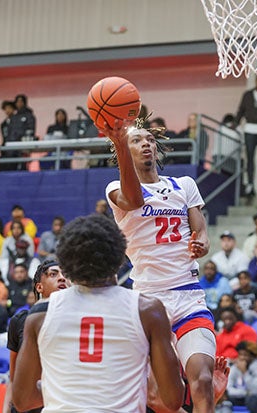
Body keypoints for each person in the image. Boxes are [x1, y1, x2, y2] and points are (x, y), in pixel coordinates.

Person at [12, 214, 185, 413]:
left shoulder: (41, 313)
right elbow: (172, 400)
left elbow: (22, 401)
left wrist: (66, 392)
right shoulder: (148, 310)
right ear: (120, 255)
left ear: (66, 262)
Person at [102, 119, 216, 410]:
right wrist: (118, 141)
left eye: (150, 140)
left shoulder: (184, 185)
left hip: (188, 295)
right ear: (124, 152)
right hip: (149, 301)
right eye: (137, 140)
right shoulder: (115, 189)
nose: (146, 144)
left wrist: (201, 242)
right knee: (161, 397)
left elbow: (200, 230)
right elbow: (134, 199)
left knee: (203, 379)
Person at [6, 260, 68, 413]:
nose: (62, 278)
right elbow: (13, 378)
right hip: (27, 406)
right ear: (39, 287)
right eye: (53, 274)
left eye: (65, 275)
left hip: (62, 404)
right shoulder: (21, 320)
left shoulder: (78, 319)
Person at [226, 340, 257, 407]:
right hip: (236, 397)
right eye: (240, 354)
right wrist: (245, 393)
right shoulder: (235, 367)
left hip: (255, 400)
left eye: (245, 355)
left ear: (252, 356)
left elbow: (255, 391)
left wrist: (244, 372)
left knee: (254, 399)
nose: (242, 357)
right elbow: (228, 389)